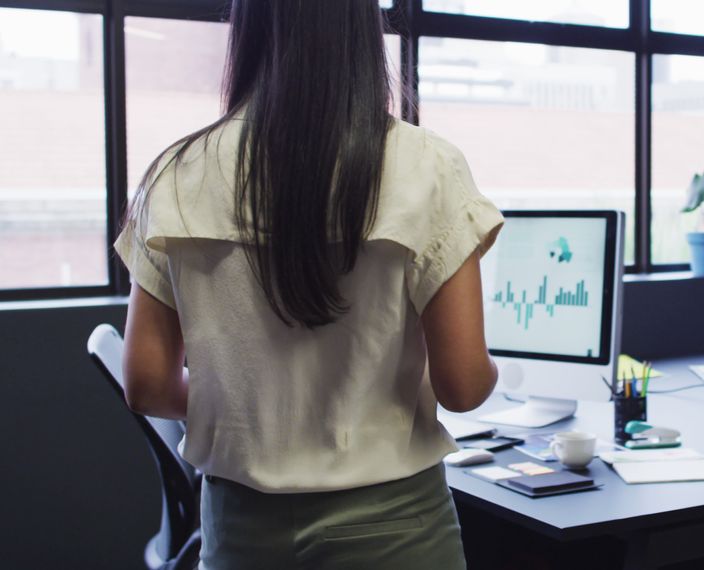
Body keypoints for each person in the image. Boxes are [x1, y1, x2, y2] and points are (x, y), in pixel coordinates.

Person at [114, 1, 503, 568]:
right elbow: (464, 388)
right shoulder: (427, 167)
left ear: (248, 28)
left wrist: (256, 412)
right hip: (393, 531)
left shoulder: (177, 174)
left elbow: (146, 384)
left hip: (242, 533)